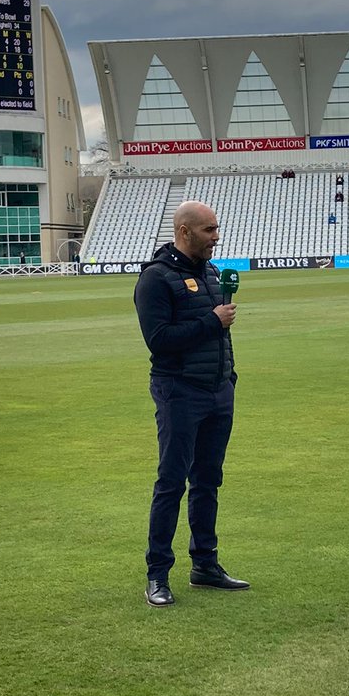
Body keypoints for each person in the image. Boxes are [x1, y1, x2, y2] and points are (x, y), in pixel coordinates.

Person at [133, 201, 248, 608]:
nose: (217, 236)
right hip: (179, 391)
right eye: (209, 230)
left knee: (208, 481)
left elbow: (220, 334)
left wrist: (228, 375)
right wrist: (211, 321)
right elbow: (159, 340)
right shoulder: (156, 279)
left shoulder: (213, 274)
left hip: (218, 390)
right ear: (184, 232)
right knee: (171, 482)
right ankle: (157, 574)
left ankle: (205, 565)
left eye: (216, 228)